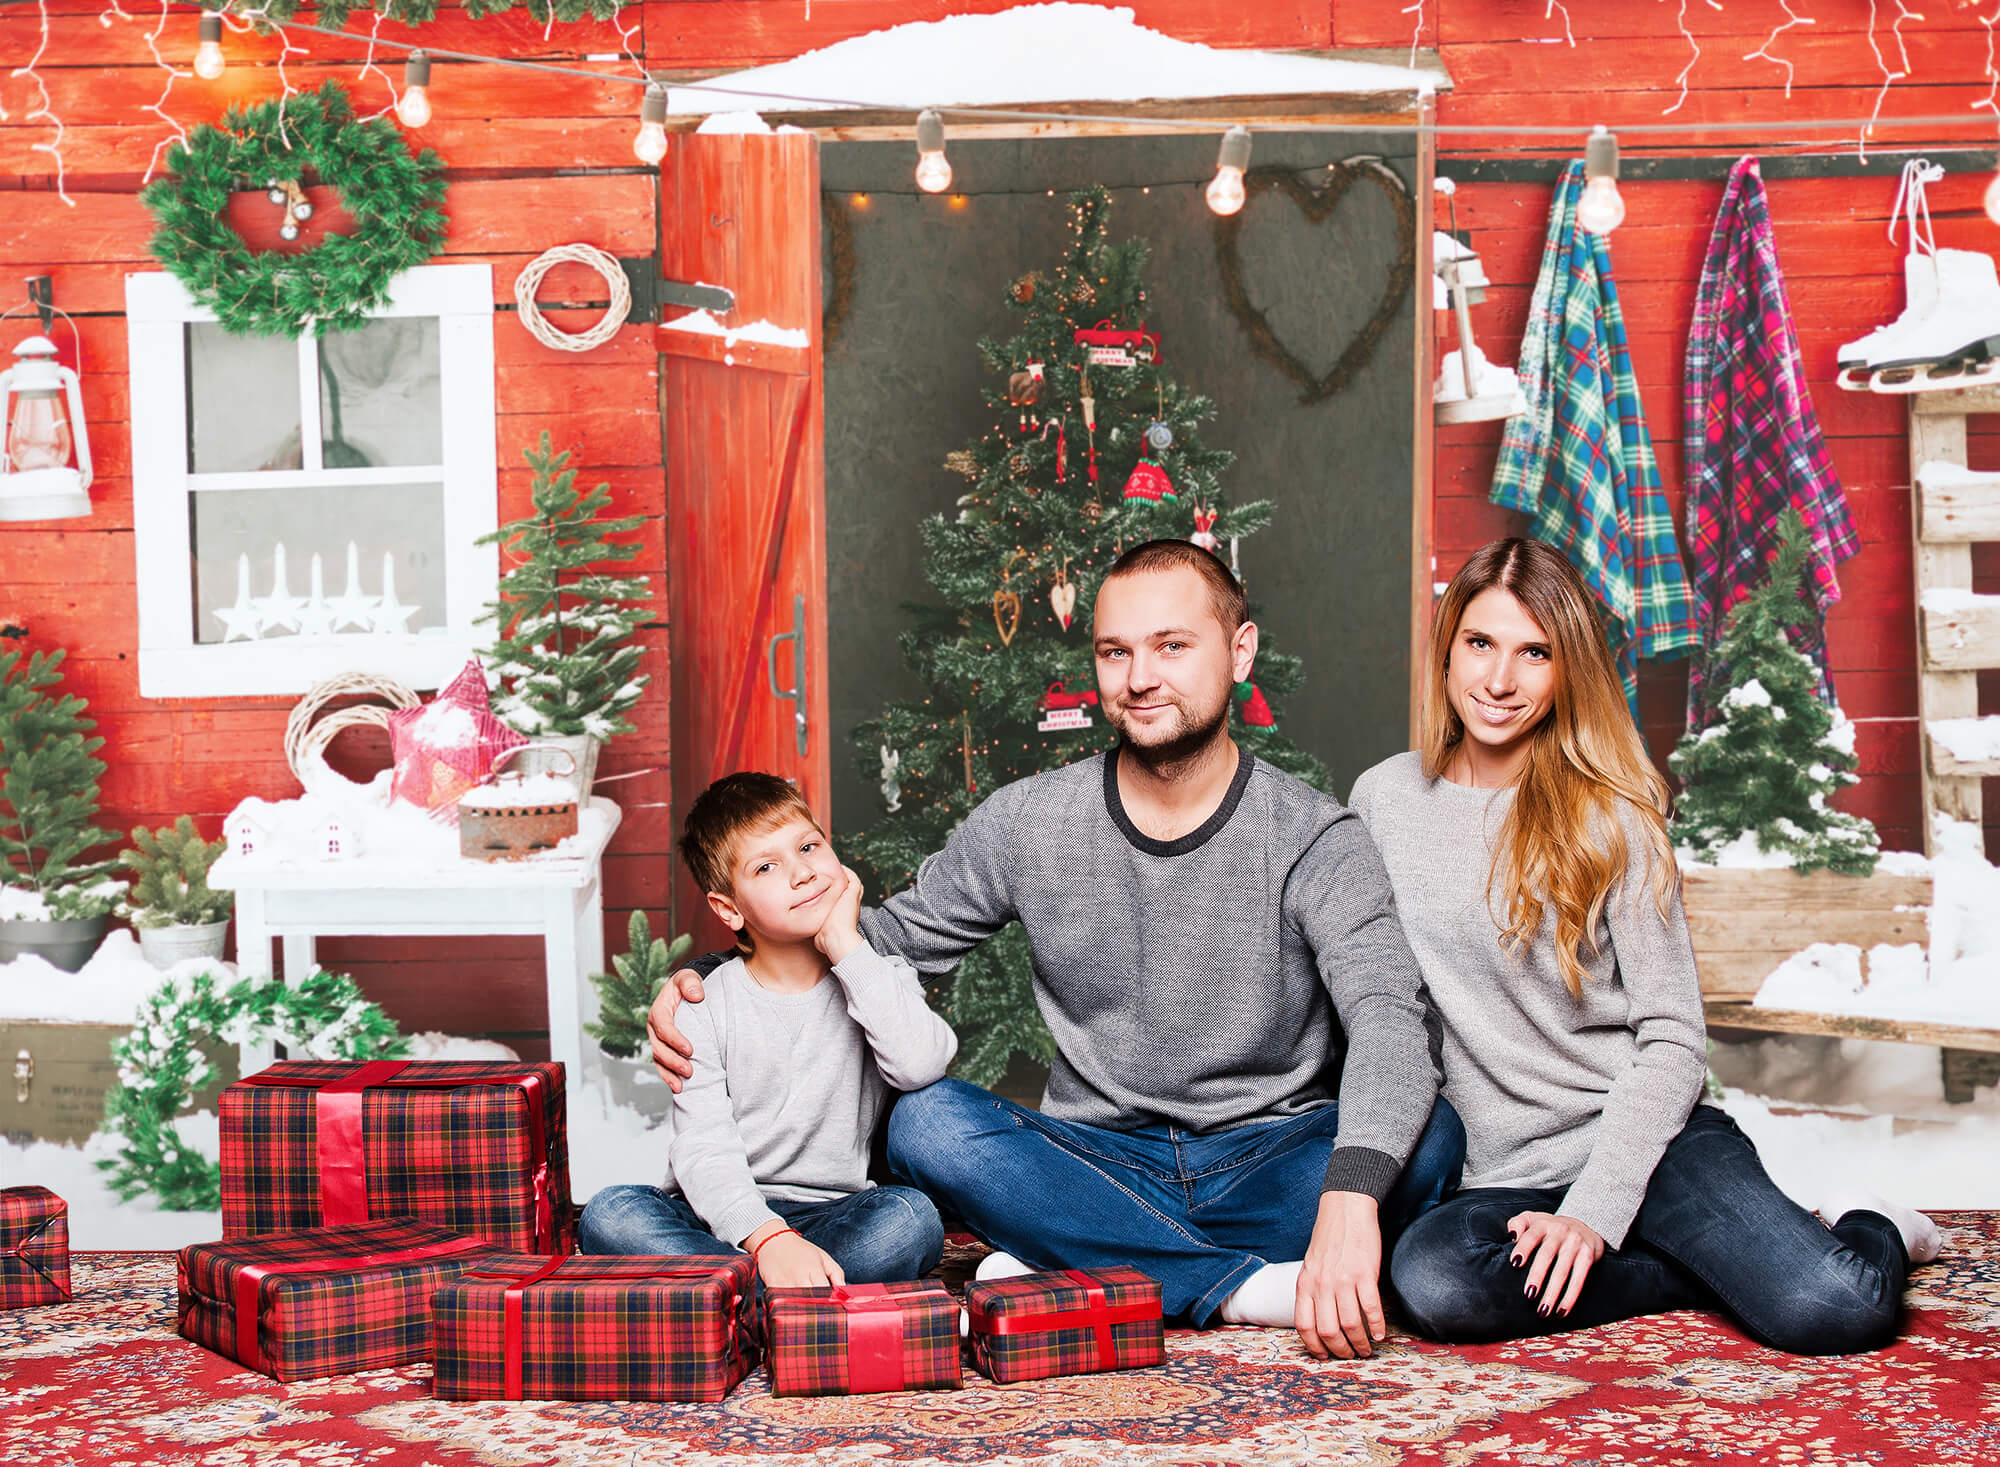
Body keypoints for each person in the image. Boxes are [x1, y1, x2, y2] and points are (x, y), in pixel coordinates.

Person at [649, 540, 1464, 1360]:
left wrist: (1350, 1203)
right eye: (1116, 651)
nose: (1140, 677)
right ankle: (1240, 1286)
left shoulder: (1314, 836)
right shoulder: (1030, 821)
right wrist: (715, 978)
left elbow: (1392, 1024)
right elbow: (878, 942)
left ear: (1239, 651)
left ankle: (1075, 1257)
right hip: (1095, 1157)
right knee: (927, 1121)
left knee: (1428, 1139)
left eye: (1172, 645)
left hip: (1266, 1159)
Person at [1351, 537, 1941, 1354]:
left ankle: (1869, 1221)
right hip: (1500, 1171)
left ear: (1567, 671)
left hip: (1645, 1143)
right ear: (1447, 646)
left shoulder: (1613, 816)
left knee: (1834, 1305)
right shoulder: (1383, 799)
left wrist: (1596, 1208)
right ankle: (1699, 1274)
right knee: (1436, 1280)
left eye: (1534, 653)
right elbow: (1375, 1002)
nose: (1498, 680)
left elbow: (1672, 1039)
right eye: (1480, 644)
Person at [579, 772, 958, 1288]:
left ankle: (728, 1302)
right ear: (729, 909)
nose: (802, 872)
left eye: (809, 846)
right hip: (720, 1219)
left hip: (833, 1216)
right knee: (611, 1214)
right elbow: (704, 1145)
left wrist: (847, 943)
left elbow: (921, 1064)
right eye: (766, 866)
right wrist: (764, 1237)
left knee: (911, 1221)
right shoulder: (703, 1001)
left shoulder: (877, 977)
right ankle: (787, 1300)